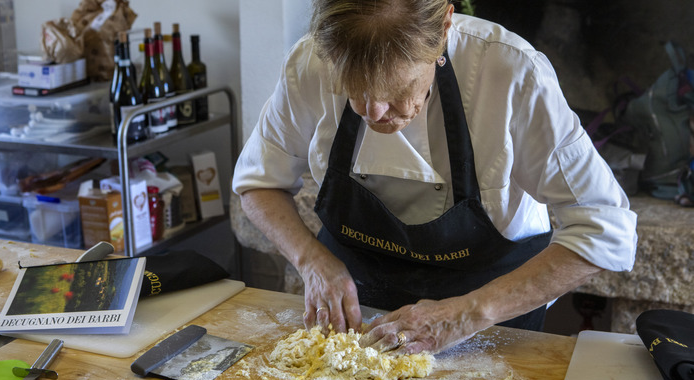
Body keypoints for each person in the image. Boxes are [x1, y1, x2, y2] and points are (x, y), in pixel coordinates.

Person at [232, 0, 637, 354]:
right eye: (352, 88)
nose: (371, 112)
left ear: (444, 28)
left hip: (489, 327)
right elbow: (257, 182)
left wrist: (464, 315)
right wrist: (313, 262)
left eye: (395, 87)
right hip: (357, 314)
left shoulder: (510, 73)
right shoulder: (310, 61)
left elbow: (604, 229)